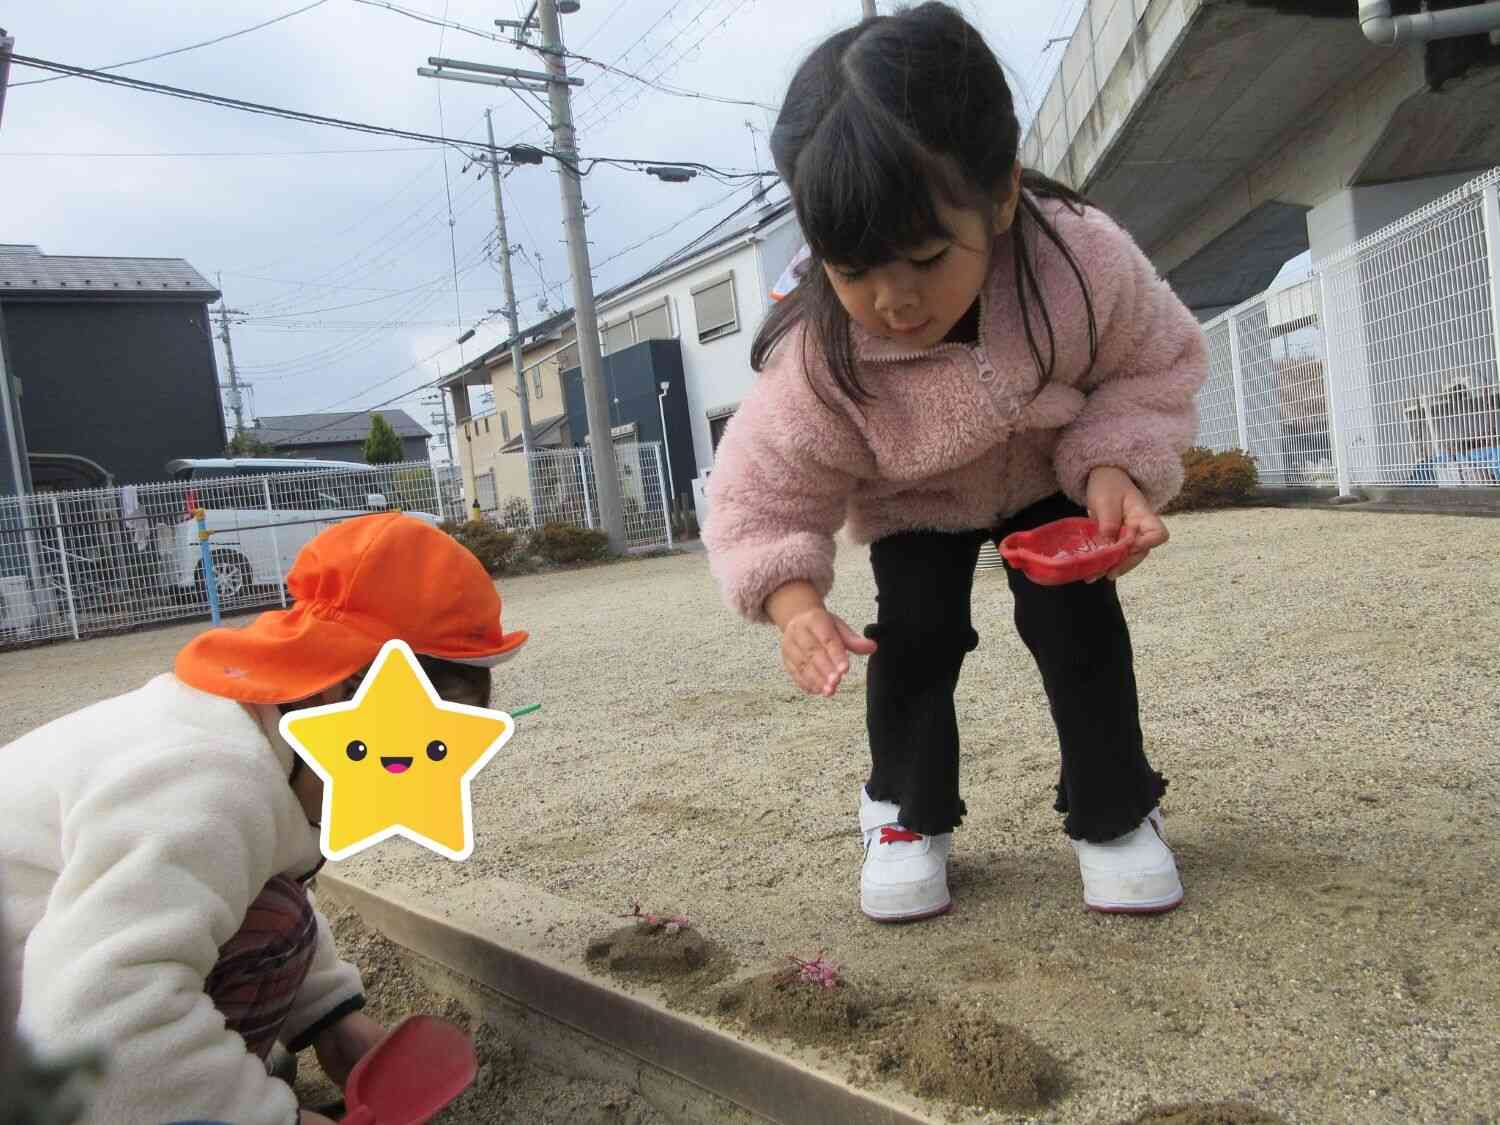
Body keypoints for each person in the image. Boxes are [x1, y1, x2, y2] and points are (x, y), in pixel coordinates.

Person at [703, 3, 1208, 924]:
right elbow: (760, 494)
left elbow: (1157, 357)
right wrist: (793, 600)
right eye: (855, 272)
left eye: (928, 257)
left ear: (1004, 194)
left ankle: (1117, 807)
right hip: (912, 496)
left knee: (1076, 622)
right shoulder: (823, 355)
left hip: (1048, 470)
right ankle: (901, 811)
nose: (894, 301)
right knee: (918, 635)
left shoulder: (1080, 260)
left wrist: (1114, 466)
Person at [0, 513, 527, 1124]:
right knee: (263, 931)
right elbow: (93, 1016)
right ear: (337, 695)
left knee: (275, 910)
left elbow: (249, 888)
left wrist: (334, 1023)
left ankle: (195, 1079)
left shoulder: (248, 734)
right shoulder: (203, 782)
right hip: (45, 1033)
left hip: (42, 976)